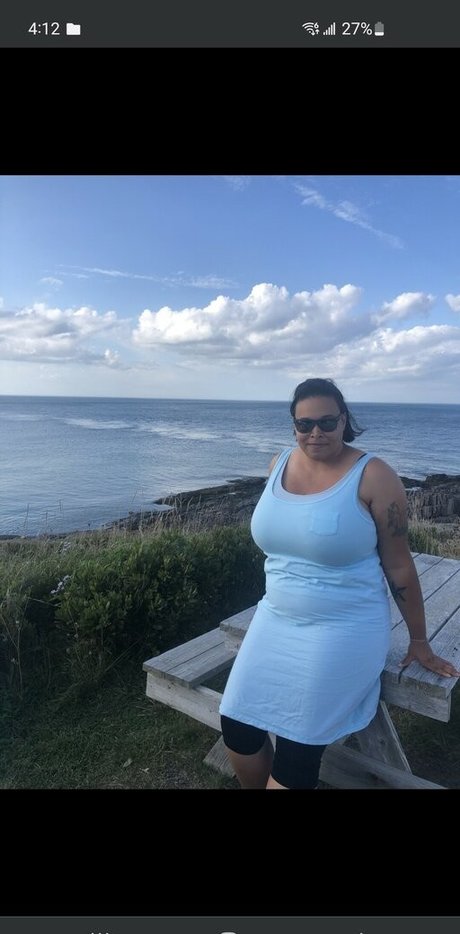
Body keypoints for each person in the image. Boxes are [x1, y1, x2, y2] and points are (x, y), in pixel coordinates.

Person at [219, 377, 460, 789]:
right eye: (304, 424)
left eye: (327, 422)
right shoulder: (278, 464)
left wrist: (419, 640)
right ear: (293, 425)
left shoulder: (374, 476)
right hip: (275, 619)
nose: (315, 432)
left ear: (344, 421)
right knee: (237, 727)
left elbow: (400, 566)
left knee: (298, 748)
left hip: (343, 627)